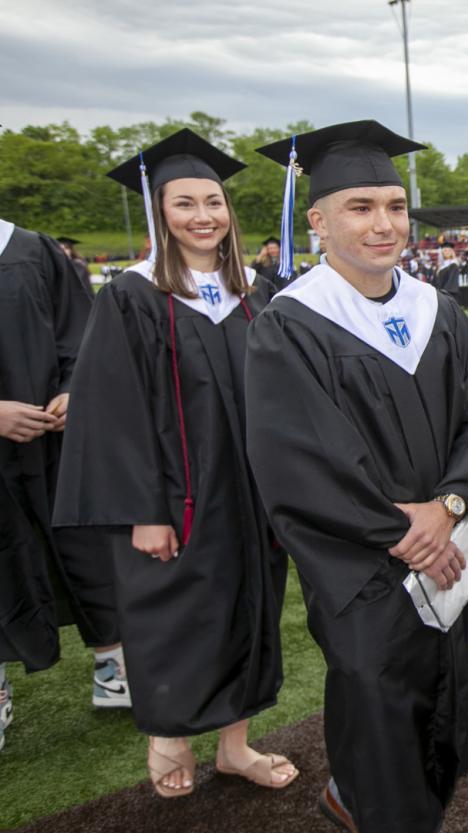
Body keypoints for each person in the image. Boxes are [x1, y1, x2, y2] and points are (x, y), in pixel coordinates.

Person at [250, 120, 468, 833]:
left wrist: (451, 503)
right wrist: (403, 527)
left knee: (442, 691)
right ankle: (379, 809)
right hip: (361, 566)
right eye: (361, 207)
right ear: (319, 220)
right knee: (377, 695)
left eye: (395, 206)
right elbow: (299, 456)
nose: (383, 224)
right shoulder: (292, 323)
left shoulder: (438, 312)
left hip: (446, 549)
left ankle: (369, 800)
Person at [52, 129, 295, 797]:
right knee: (177, 618)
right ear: (160, 212)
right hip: (175, 498)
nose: (202, 216)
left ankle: (236, 746)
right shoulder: (130, 296)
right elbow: (110, 412)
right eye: (183, 202)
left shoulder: (256, 292)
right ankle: (168, 737)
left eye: (213, 201)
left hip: (249, 493)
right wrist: (144, 512)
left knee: (251, 607)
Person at [1, 218, 124, 755]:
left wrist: (75, 388)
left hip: (54, 443)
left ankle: (114, 669)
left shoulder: (30, 248)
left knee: (84, 546)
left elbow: (81, 332)